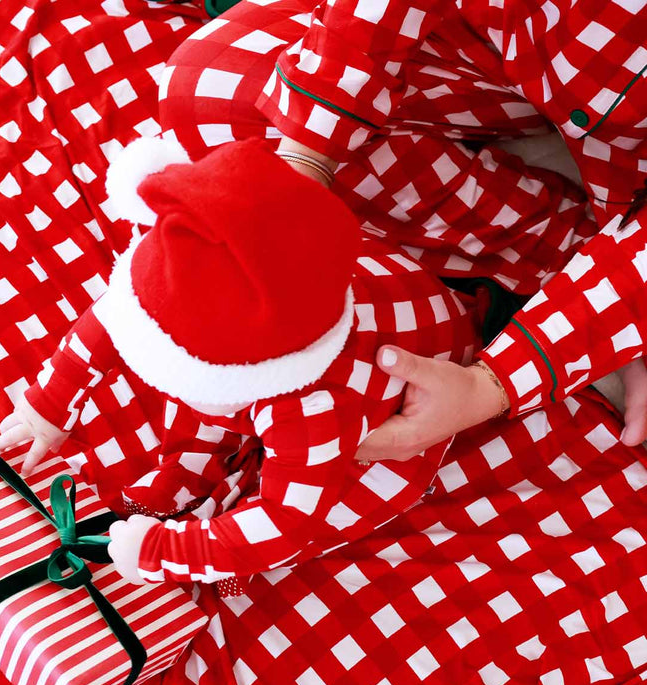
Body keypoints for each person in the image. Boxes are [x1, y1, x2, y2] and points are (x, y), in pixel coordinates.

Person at [164, 0, 647, 454]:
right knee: (214, 87)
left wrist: (496, 383)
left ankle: (595, 284)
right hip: (486, 48)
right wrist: (304, 160)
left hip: (627, 160)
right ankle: (574, 264)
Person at [0, 137, 483, 586]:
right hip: (343, 299)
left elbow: (287, 521)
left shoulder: (313, 407)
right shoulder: (181, 264)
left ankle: (211, 536)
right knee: (197, 401)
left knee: (347, 500)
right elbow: (107, 323)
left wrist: (165, 552)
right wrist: (49, 406)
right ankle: (186, 470)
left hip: (394, 404)